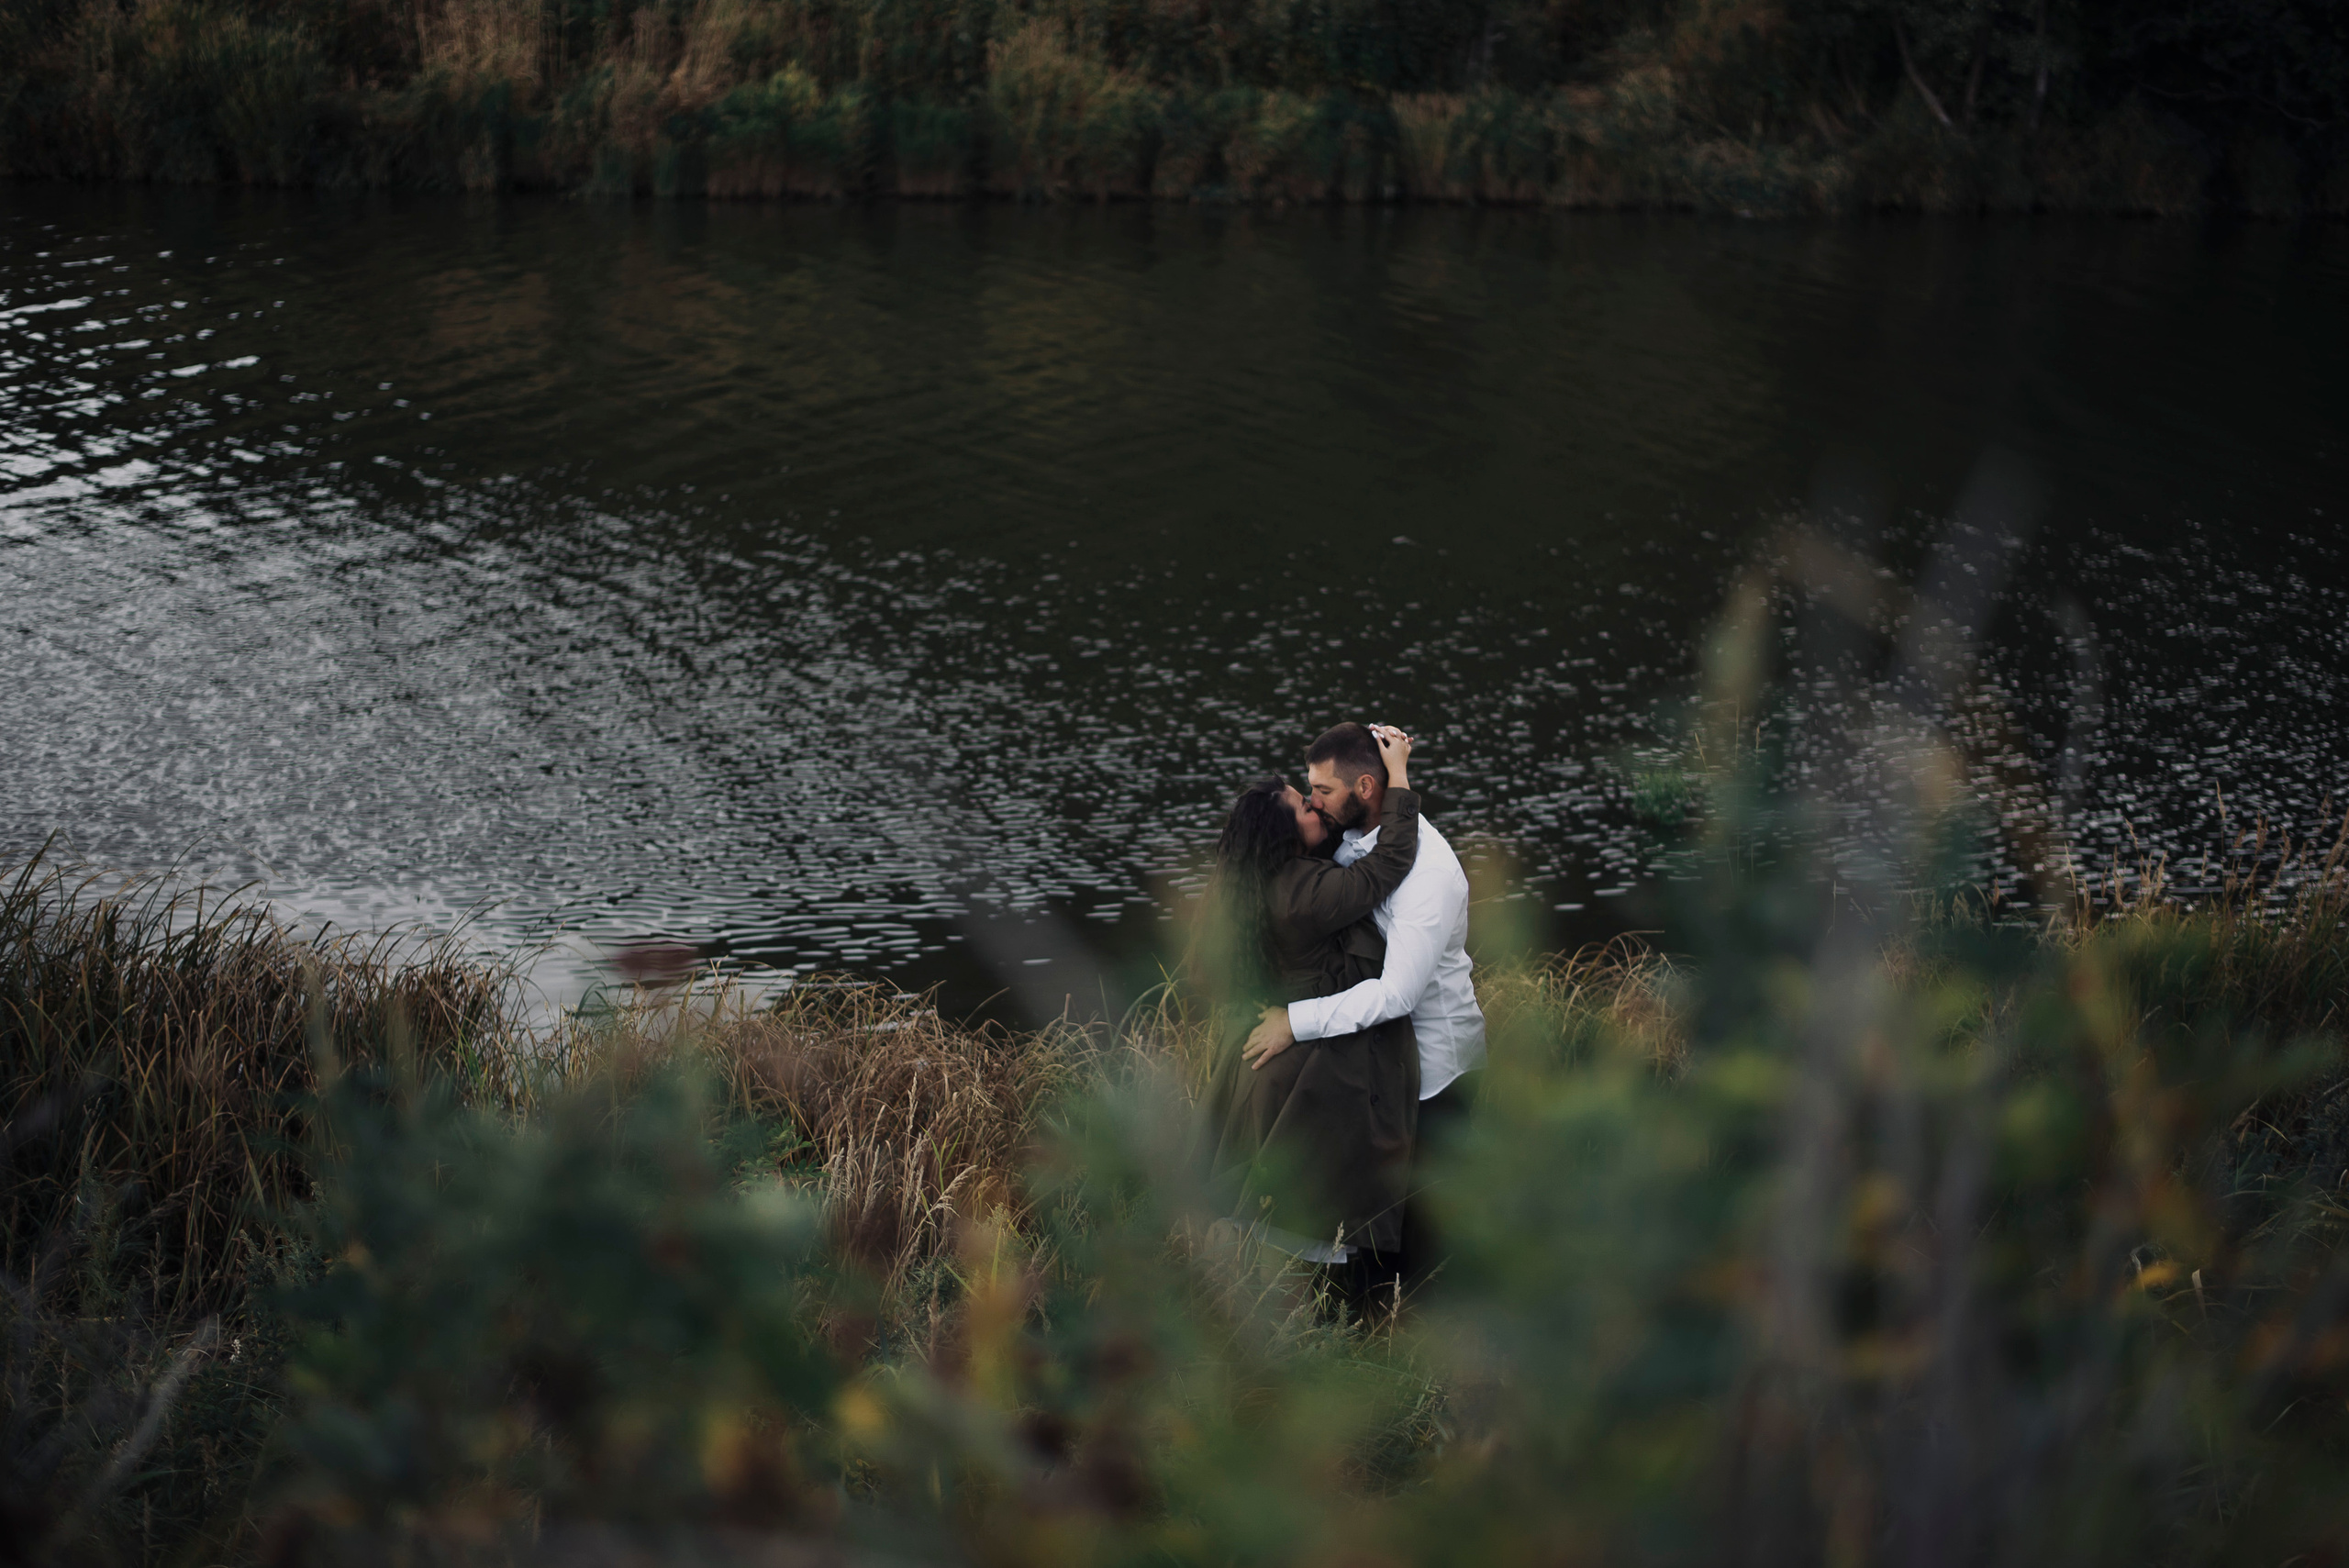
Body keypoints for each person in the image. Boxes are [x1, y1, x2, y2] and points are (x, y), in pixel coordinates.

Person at [1241, 720, 1485, 1294]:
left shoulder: (1426, 877)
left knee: (1420, 1259)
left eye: (1323, 791)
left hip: (1432, 1078)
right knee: (1366, 1241)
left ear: (1366, 789)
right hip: (1375, 1065)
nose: (1315, 803)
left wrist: (1293, 1023)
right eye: (1311, 791)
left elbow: (1396, 995)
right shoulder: (1345, 835)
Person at [1197, 727, 1422, 1298]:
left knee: (1269, 1195)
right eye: (1304, 803)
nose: (1314, 802)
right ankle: (1333, 1312)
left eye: (1316, 791)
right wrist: (1399, 780)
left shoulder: (1248, 880)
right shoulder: (1305, 890)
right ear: (1283, 831)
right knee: (1321, 1193)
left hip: (1261, 1045)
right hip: (1307, 1060)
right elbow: (1388, 865)